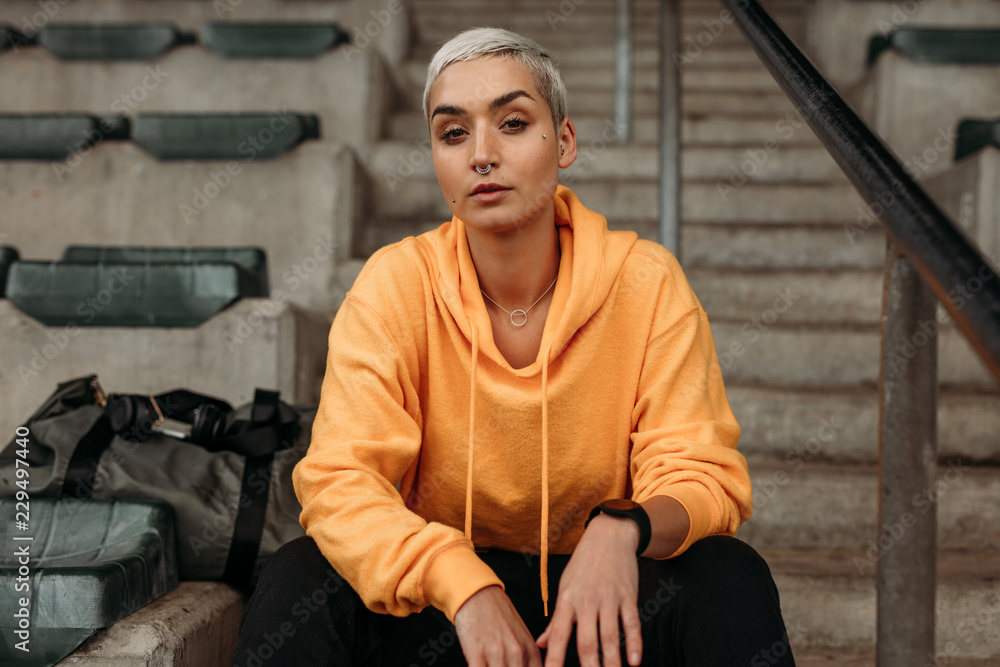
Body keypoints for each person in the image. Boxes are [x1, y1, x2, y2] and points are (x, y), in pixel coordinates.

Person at [231, 27, 795, 667]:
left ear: (566, 141)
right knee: (300, 577)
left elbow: (701, 473)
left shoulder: (646, 282)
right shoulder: (394, 285)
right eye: (454, 133)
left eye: (514, 123)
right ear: (437, 159)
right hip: (448, 620)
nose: (482, 154)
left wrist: (620, 529)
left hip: (602, 618)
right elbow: (340, 483)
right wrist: (461, 584)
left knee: (727, 575)